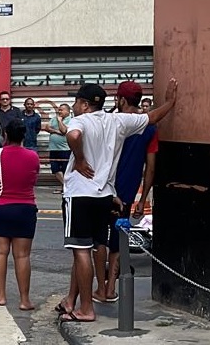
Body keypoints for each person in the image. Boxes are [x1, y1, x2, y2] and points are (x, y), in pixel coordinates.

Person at [57, 79, 178, 323]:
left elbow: (73, 135)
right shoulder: (118, 121)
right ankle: (77, 299)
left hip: (80, 194)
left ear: (83, 104)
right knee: (97, 246)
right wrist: (170, 102)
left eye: (76, 102)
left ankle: (86, 309)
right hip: (105, 196)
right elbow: (152, 118)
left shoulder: (80, 119)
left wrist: (79, 159)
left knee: (80, 252)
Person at [94, 81, 159, 304]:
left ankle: (100, 288)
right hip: (128, 191)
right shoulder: (149, 127)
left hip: (103, 188)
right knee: (119, 238)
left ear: (120, 100)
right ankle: (111, 287)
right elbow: (150, 167)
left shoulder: (111, 122)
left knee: (98, 237)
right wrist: (143, 199)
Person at [0, 119, 40, 310]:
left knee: (0, 252)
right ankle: (25, 299)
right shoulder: (33, 156)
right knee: (22, 256)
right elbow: (33, 179)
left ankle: (1, 296)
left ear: (6, 135)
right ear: (24, 135)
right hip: (24, 208)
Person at [46, 103, 71, 188]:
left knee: (65, 170)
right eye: (59, 110)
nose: (59, 111)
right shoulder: (54, 119)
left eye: (62, 110)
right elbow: (47, 128)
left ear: (68, 111)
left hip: (65, 149)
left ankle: (65, 188)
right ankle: (65, 187)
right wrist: (57, 131)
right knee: (55, 169)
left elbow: (64, 131)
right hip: (53, 149)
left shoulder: (71, 120)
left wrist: (60, 121)